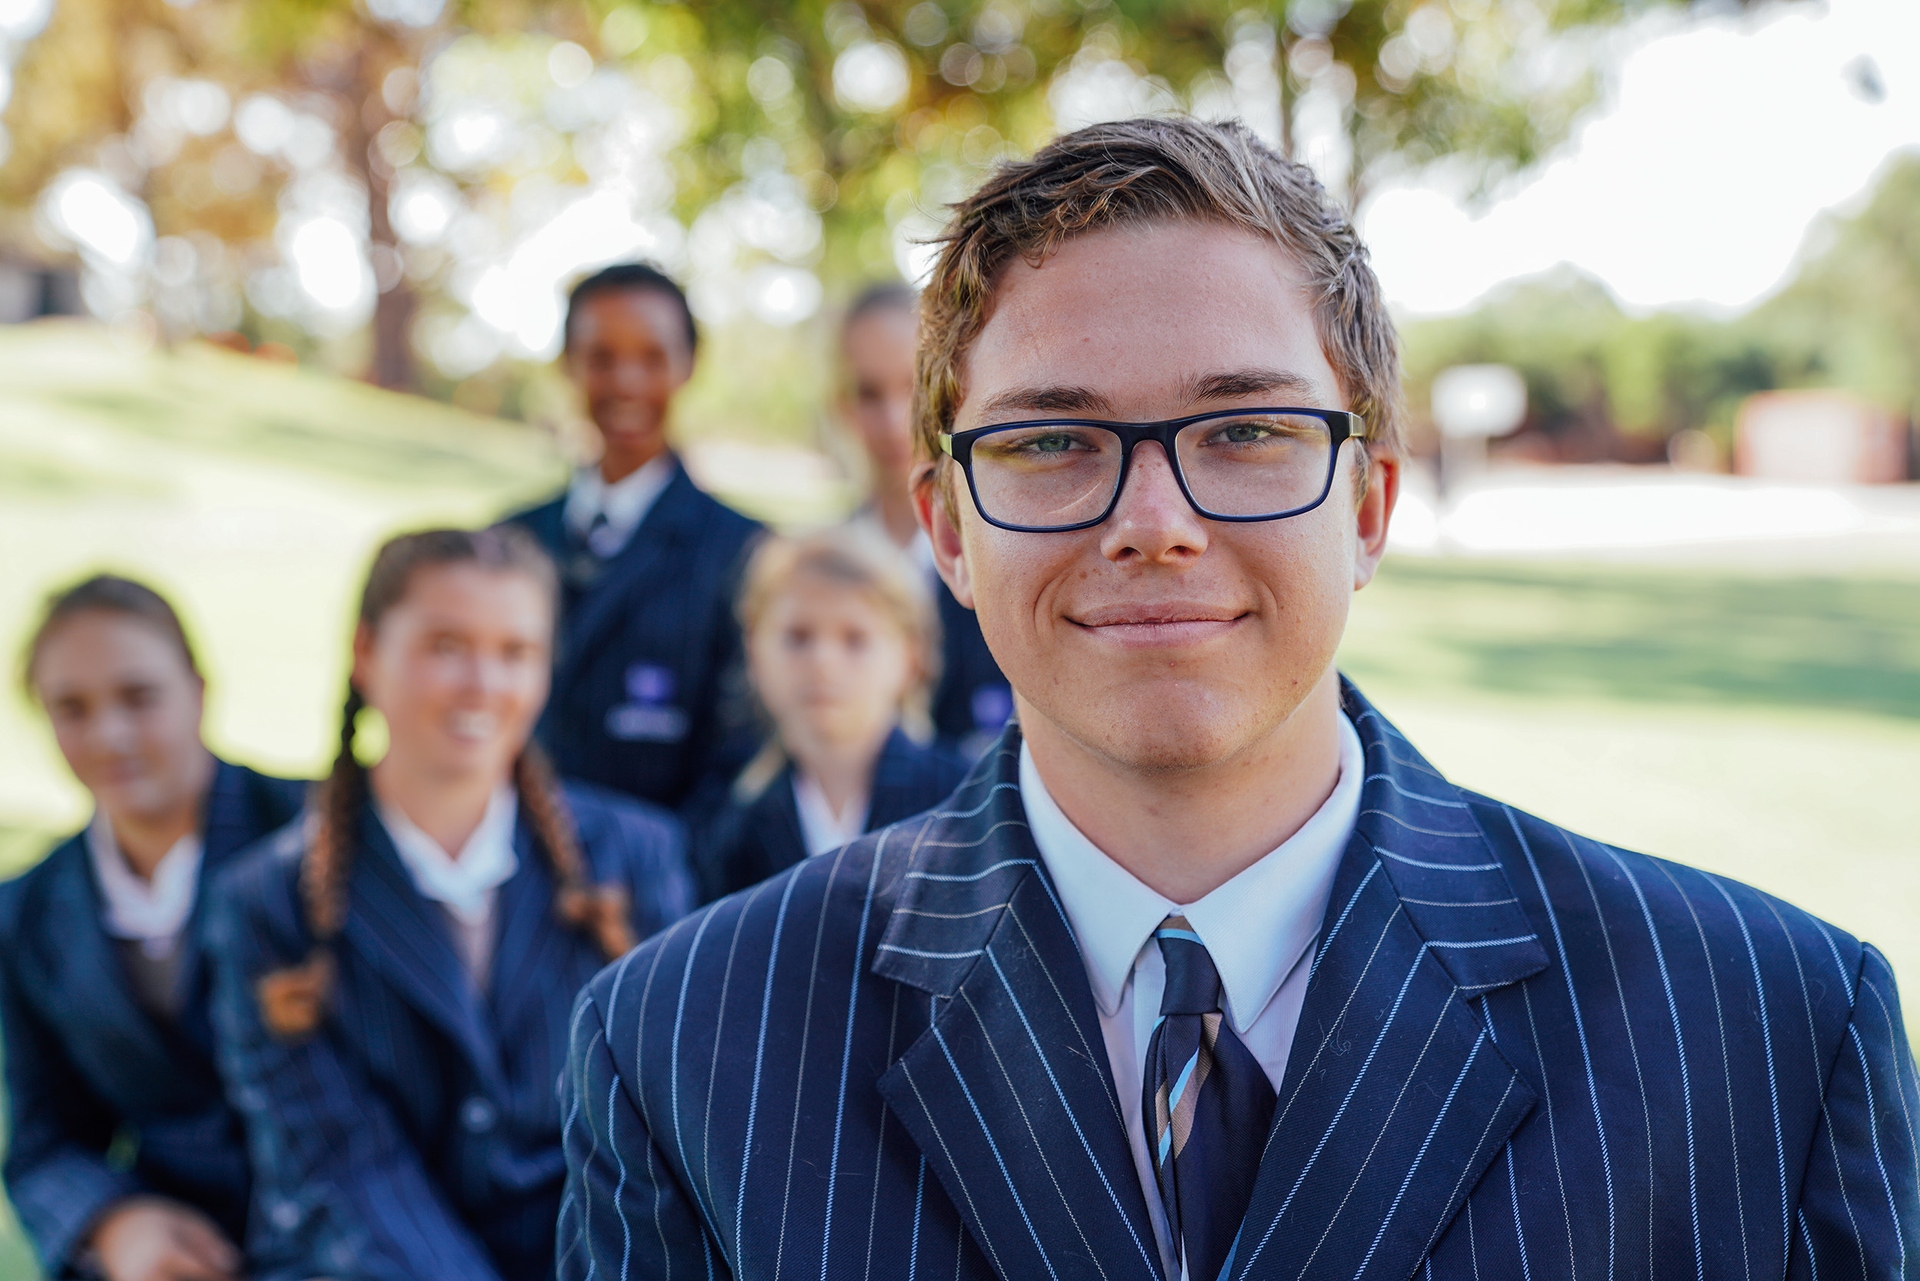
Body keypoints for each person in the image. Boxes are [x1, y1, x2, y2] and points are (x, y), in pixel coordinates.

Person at [558, 118, 1918, 1279]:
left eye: (1248, 431)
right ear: (949, 530)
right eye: (1050, 440)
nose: (1153, 521)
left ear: (1371, 504)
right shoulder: (686, 1047)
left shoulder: (1773, 1032)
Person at [206, 527, 692, 1281]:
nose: (482, 683)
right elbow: (340, 1166)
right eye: (445, 645)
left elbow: (657, 1134)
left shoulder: (636, 855)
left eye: (515, 652)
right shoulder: (267, 902)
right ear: (367, 653)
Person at [0, 576, 305, 1281]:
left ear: (198, 690)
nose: (110, 735)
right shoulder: (29, 910)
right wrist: (114, 1224)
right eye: (71, 708)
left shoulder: (313, 838)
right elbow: (45, 1138)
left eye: (139, 697)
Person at [504, 262, 761, 813]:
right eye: (601, 358)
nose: (626, 381)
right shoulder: (508, 542)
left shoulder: (744, 553)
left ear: (689, 365)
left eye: (652, 357)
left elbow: (741, 764)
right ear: (567, 365)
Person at [697, 527, 968, 901]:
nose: (823, 664)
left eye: (855, 639)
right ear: (753, 650)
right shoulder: (724, 814)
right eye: (797, 636)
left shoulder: (965, 800)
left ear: (910, 656)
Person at [838, 282, 1012, 757]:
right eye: (869, 393)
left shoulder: (1010, 559)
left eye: (912, 388)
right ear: (842, 405)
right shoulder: (826, 569)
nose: (895, 421)